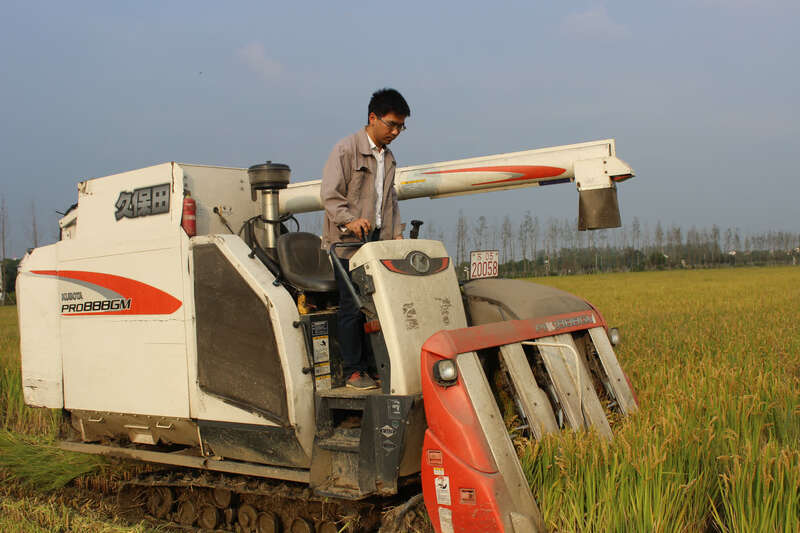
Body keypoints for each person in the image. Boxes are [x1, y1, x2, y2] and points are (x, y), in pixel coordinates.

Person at [320, 88, 410, 390]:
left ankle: (377, 365)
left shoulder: (388, 157)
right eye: (391, 125)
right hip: (347, 244)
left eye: (400, 127)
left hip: (376, 243)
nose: (396, 132)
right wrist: (351, 220)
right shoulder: (345, 150)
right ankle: (354, 370)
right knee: (352, 305)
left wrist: (396, 232)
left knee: (382, 306)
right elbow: (330, 197)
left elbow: (390, 200)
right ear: (373, 118)